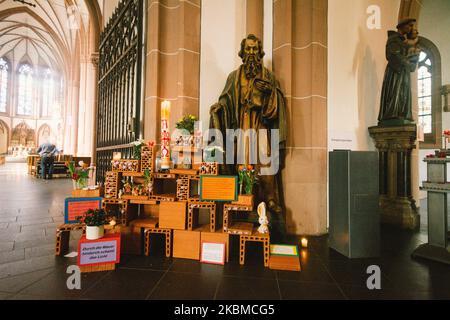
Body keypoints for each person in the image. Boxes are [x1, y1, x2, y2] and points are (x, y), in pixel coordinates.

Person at [209, 34, 287, 239]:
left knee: (265, 160)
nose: (252, 53)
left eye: (255, 49)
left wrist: (269, 93)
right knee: (243, 162)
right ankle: (245, 199)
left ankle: (270, 199)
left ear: (259, 52)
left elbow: (278, 100)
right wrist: (219, 107)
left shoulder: (268, 76)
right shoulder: (234, 77)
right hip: (242, 127)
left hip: (261, 125)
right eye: (248, 49)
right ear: (243, 53)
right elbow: (226, 99)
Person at [378, 18, 419, 125]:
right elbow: (393, 55)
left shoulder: (402, 41)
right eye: (409, 25)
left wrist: (414, 56)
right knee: (395, 92)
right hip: (396, 72)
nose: (411, 28)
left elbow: (407, 56)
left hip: (403, 71)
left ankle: (402, 113)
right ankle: (393, 114)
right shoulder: (394, 39)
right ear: (402, 26)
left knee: (403, 93)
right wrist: (407, 63)